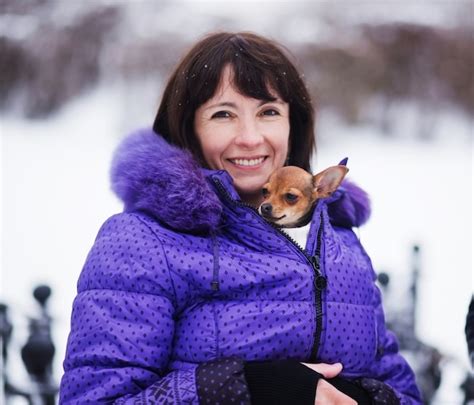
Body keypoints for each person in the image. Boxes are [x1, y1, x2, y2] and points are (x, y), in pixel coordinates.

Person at [59, 32, 422, 404]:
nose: (250, 138)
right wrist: (251, 387)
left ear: (292, 123)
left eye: (268, 112)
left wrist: (361, 395)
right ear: (189, 127)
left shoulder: (339, 237)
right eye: (223, 114)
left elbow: (400, 389)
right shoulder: (142, 241)